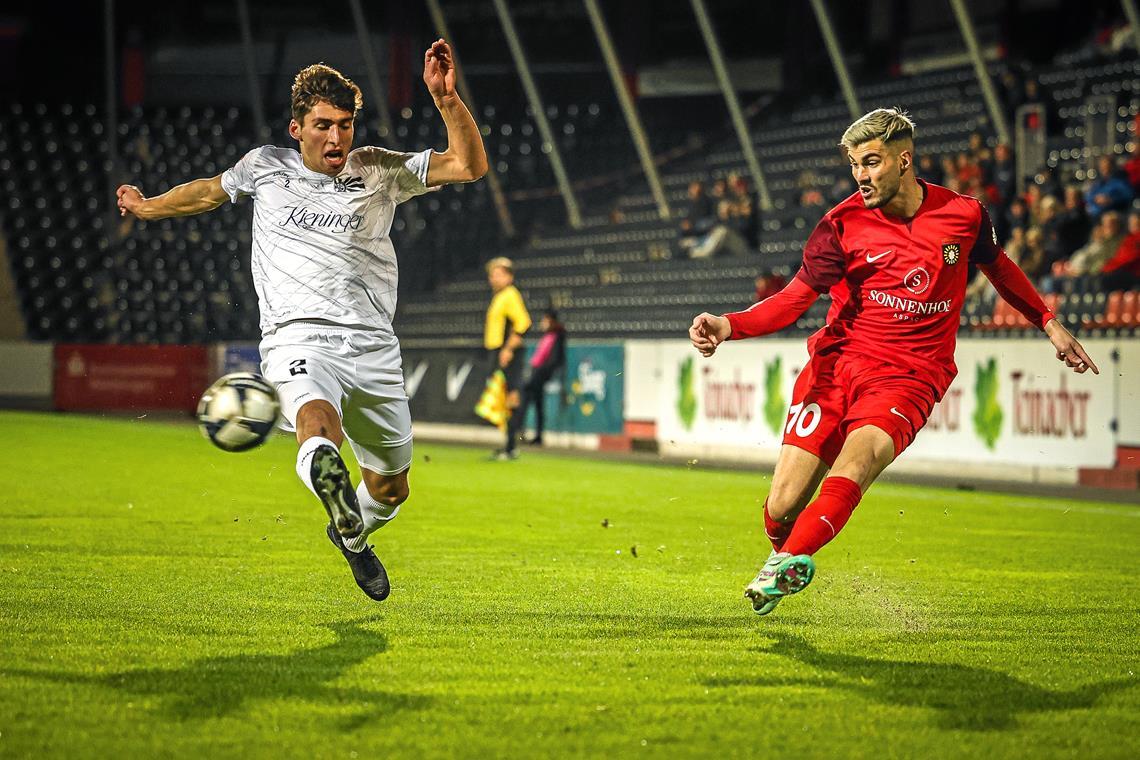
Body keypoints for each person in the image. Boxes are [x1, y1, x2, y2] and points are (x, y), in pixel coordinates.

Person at [688, 108, 1098, 617]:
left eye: (872, 162)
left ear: (904, 159)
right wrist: (730, 325)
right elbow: (794, 299)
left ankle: (788, 562)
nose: (861, 175)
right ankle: (782, 549)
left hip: (911, 375)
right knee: (782, 506)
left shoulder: (964, 215)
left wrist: (1050, 324)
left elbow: (999, 267)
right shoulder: (839, 226)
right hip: (836, 367)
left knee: (857, 463)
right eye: (856, 165)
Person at [115, 42, 488, 602]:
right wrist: (149, 206)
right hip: (299, 338)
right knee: (319, 422)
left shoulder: (380, 169)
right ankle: (335, 494)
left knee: (390, 490)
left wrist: (446, 99)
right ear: (297, 128)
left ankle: (350, 530)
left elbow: (470, 166)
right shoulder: (265, 168)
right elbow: (209, 193)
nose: (337, 138)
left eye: (345, 125)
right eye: (323, 126)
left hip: (375, 348)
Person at [484, 256, 532, 460]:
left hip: (508, 352)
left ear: (509, 277)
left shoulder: (510, 295)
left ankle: (512, 446)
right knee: (505, 398)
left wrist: (508, 350)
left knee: (513, 396)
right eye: (491, 274)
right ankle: (509, 444)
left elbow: (522, 324)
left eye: (498, 274)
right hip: (501, 351)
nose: (493, 278)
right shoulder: (500, 296)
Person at [510, 309, 567, 447]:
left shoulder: (556, 336)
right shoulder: (549, 336)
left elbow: (553, 359)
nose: (542, 323)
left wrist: (541, 372)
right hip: (537, 372)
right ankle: (532, 435)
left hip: (540, 373)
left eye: (545, 320)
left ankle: (519, 431)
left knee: (526, 399)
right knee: (536, 403)